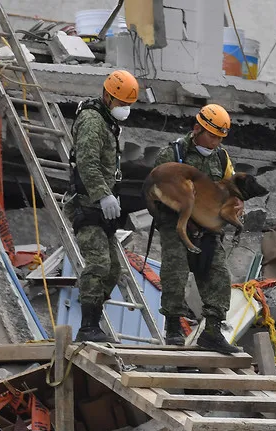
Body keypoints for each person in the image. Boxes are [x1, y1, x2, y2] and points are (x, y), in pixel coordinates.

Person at [151, 103, 239, 354]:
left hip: (208, 229)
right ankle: (173, 328)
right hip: (177, 227)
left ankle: (212, 331)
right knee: (175, 275)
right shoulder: (172, 154)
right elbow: (157, 190)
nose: (214, 143)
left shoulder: (222, 158)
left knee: (219, 276)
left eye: (219, 138)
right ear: (197, 128)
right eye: (211, 136)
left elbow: (230, 186)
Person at [66, 69, 138, 343]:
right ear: (107, 96)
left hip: (101, 206)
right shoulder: (92, 121)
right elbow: (87, 162)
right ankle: (88, 327)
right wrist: (102, 195)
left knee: (113, 270)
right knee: (98, 263)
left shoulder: (108, 122)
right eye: (120, 103)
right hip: (86, 204)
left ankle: (92, 320)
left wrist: (111, 195)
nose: (124, 109)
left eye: (127, 105)